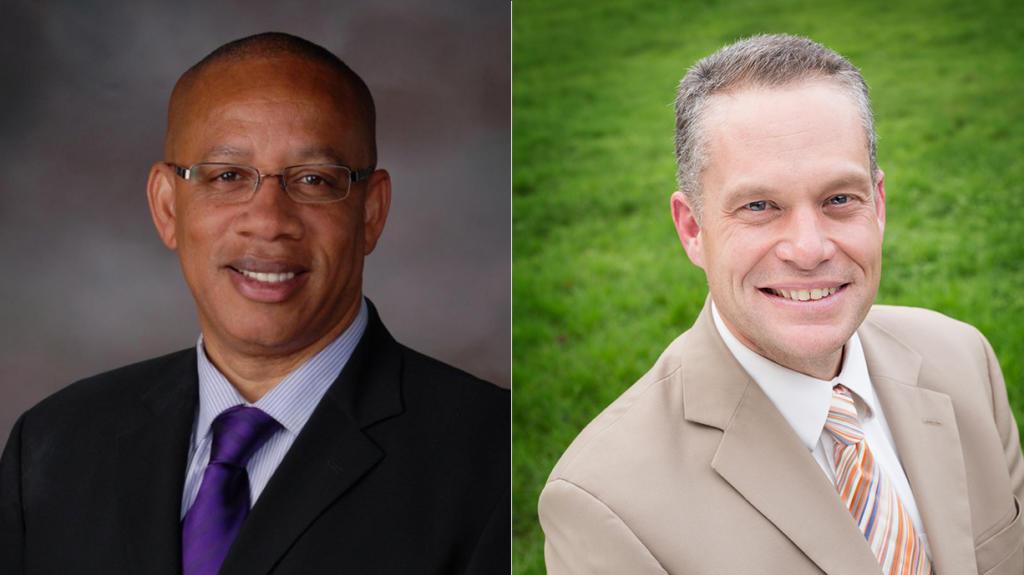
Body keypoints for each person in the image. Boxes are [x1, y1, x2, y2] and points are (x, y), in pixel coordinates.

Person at [0, 32, 509, 574]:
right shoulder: (53, 445)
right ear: (168, 208)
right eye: (227, 177)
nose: (268, 220)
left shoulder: (493, 457)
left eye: (314, 179)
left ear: (371, 213)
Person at [538, 34, 1023, 574]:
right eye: (760, 206)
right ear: (693, 228)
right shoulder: (603, 502)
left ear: (878, 205)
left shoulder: (964, 359)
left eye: (839, 199)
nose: (810, 249)